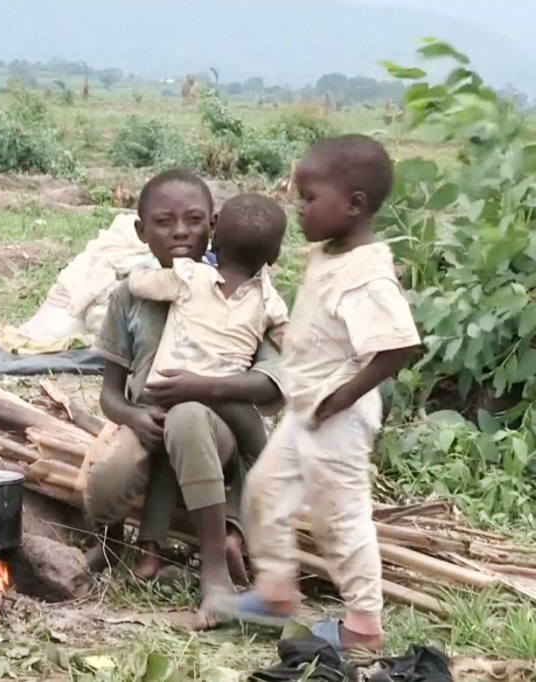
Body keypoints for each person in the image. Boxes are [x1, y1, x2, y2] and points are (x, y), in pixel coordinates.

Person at [219, 135, 420, 653]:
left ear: (354, 204)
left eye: (309, 198)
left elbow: (399, 347)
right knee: (263, 491)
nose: (298, 207)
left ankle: (363, 628)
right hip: (307, 410)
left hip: (337, 420)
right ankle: (276, 595)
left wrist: (346, 395)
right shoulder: (330, 253)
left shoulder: (367, 275)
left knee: (341, 523)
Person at [84, 169, 286, 630]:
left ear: (213, 225)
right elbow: (110, 395)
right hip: (149, 424)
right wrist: (133, 417)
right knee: (108, 480)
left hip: (215, 432)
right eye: (164, 222)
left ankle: (215, 579)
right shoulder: (130, 297)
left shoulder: (239, 292)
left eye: (194, 220)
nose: (180, 232)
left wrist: (202, 387)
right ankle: (113, 541)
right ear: (141, 231)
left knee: (189, 418)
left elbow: (272, 384)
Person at [121, 193, 289, 580]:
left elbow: (140, 284)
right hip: (224, 400)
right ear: (274, 257)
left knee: (167, 456)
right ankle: (234, 532)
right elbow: (291, 341)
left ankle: (150, 552)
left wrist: (141, 271)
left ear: (214, 236)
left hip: (164, 390)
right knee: (258, 458)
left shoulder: (188, 275)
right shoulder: (269, 300)